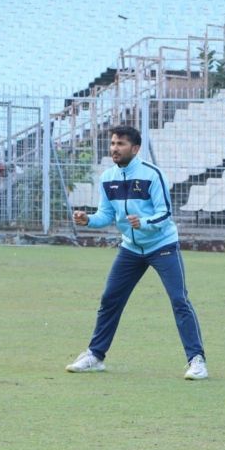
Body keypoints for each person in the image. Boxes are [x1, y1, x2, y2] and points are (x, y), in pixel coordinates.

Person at [65, 125, 208, 380]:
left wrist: (143, 223)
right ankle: (95, 356)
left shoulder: (152, 175)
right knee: (110, 299)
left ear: (135, 148)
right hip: (130, 249)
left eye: (120, 144)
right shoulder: (108, 177)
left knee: (179, 300)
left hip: (162, 246)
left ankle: (196, 360)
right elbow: (106, 215)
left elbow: (165, 214)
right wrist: (88, 220)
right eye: (112, 144)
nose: (114, 149)